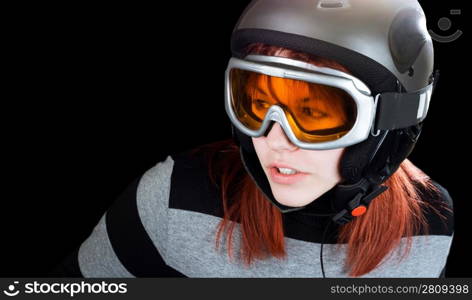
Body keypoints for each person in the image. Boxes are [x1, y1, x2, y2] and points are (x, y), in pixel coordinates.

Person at [49, 0, 454, 278]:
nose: (276, 139)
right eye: (259, 104)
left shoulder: (430, 223)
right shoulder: (172, 199)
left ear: (389, 120)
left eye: (312, 113)